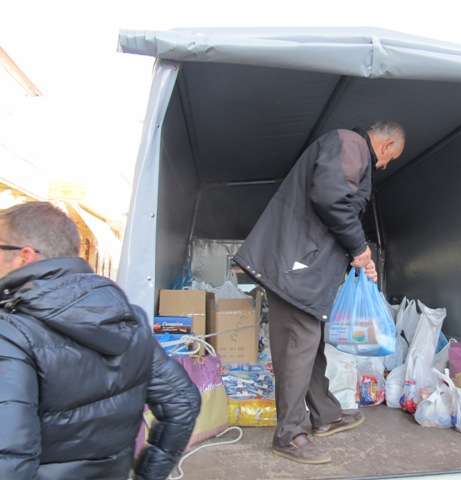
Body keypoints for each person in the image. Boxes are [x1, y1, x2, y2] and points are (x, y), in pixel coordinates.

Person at [234, 121, 405, 464]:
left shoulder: (348, 147)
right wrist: (360, 248)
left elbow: (335, 203)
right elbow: (331, 198)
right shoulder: (351, 144)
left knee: (308, 345)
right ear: (386, 146)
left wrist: (359, 253)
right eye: (390, 159)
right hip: (296, 266)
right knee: (297, 345)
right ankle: (289, 434)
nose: (385, 166)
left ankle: (326, 415)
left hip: (304, 266)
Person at [0, 201, 201, 479]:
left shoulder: (12, 333)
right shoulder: (129, 319)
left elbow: (8, 462)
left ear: (24, 257)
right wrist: (148, 475)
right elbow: (183, 401)